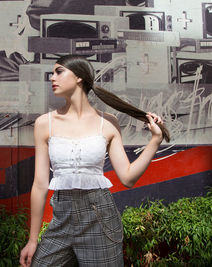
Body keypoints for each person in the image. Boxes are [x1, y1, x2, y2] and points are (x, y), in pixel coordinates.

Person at [19, 55, 168, 267]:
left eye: (59, 72)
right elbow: (40, 184)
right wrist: (33, 240)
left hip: (100, 220)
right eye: (53, 73)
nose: (52, 78)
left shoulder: (107, 123)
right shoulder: (45, 123)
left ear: (79, 77)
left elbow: (127, 177)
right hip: (61, 220)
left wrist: (155, 140)